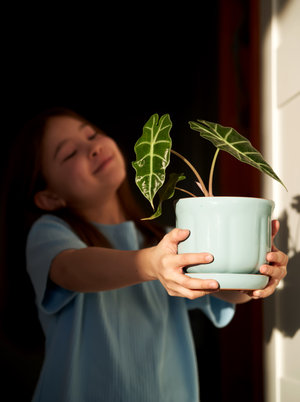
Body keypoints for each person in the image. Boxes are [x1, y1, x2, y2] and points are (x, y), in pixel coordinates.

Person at [2, 107, 288, 402]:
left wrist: (256, 274)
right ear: (49, 197)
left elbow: (220, 286)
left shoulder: (161, 239)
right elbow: (70, 269)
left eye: (92, 134)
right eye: (70, 153)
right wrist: (150, 263)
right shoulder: (49, 232)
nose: (93, 147)